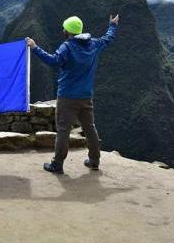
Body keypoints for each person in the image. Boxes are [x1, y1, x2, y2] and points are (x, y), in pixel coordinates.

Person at [25, 14, 119, 174]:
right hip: (86, 97)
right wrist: (113, 25)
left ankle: (57, 164)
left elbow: (53, 61)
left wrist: (34, 47)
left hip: (67, 97)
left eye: (64, 28)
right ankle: (95, 160)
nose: (62, 30)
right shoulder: (94, 44)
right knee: (90, 128)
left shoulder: (67, 47)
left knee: (63, 130)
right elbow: (108, 39)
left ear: (68, 31)